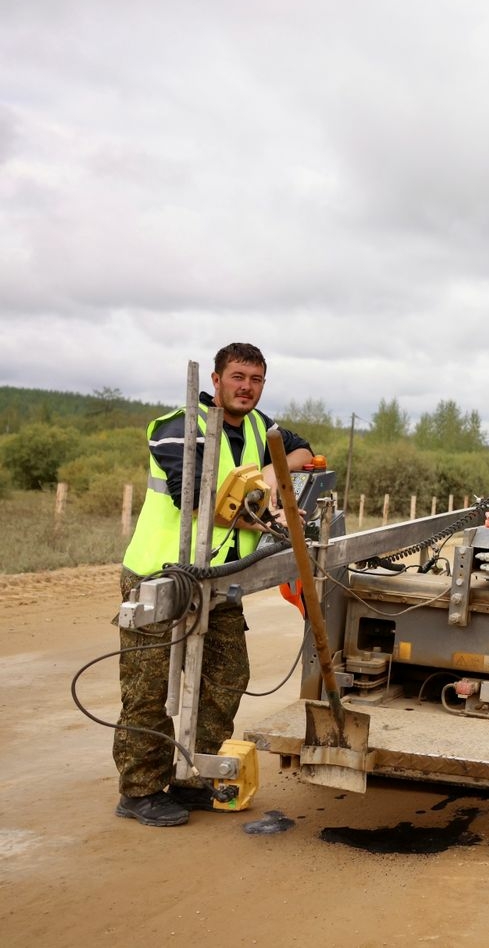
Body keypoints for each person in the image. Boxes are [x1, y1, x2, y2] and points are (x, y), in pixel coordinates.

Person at [114, 343, 313, 826]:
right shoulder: (178, 428)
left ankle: (193, 776)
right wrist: (269, 510)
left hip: (220, 581)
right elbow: (194, 502)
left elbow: (302, 449)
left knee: (226, 677)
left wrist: (269, 477)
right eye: (238, 377)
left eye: (257, 379)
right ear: (217, 379)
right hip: (161, 577)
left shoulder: (260, 426)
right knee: (149, 687)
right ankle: (139, 790)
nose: (247, 387)